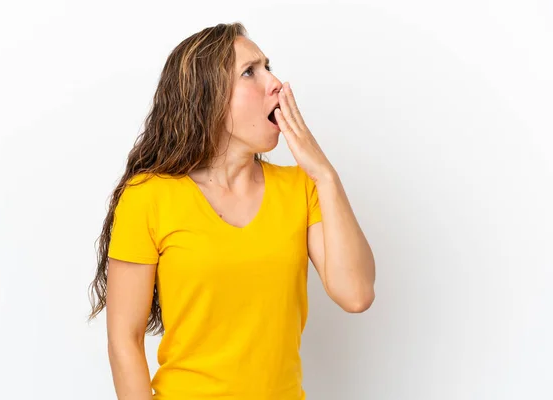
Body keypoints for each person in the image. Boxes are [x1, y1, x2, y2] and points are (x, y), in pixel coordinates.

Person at [87, 22, 376, 400]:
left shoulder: (302, 189)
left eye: (268, 67)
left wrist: (324, 173)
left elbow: (355, 294)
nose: (276, 83)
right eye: (250, 72)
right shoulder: (148, 197)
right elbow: (124, 339)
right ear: (208, 98)